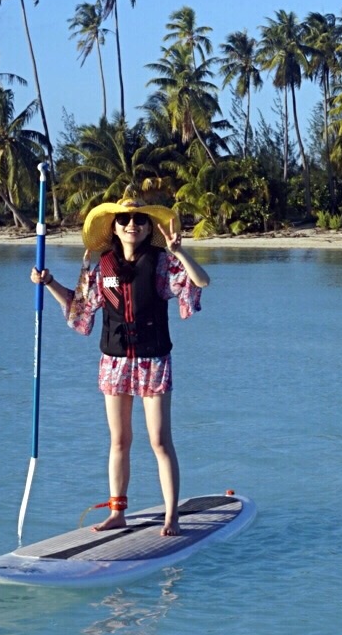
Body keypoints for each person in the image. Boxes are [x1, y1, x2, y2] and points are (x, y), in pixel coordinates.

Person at [31, 196, 210, 535]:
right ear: (113, 227)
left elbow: (200, 283)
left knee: (159, 440)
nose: (132, 225)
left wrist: (180, 253)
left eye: (140, 220)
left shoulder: (160, 265)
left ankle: (172, 516)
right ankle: (117, 512)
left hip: (152, 361)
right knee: (119, 440)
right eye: (125, 220)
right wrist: (49, 282)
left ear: (147, 227)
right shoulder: (101, 268)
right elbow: (80, 308)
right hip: (114, 363)